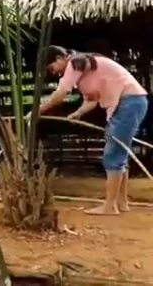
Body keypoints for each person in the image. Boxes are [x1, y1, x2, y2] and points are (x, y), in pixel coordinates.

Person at [36, 45, 148, 215]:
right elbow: (92, 99)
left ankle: (110, 206)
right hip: (131, 102)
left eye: (51, 67)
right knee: (119, 152)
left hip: (128, 103)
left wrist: (38, 110)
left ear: (59, 58)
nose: (53, 72)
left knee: (113, 155)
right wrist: (78, 113)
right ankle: (121, 202)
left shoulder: (74, 62)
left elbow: (62, 92)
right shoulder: (84, 65)